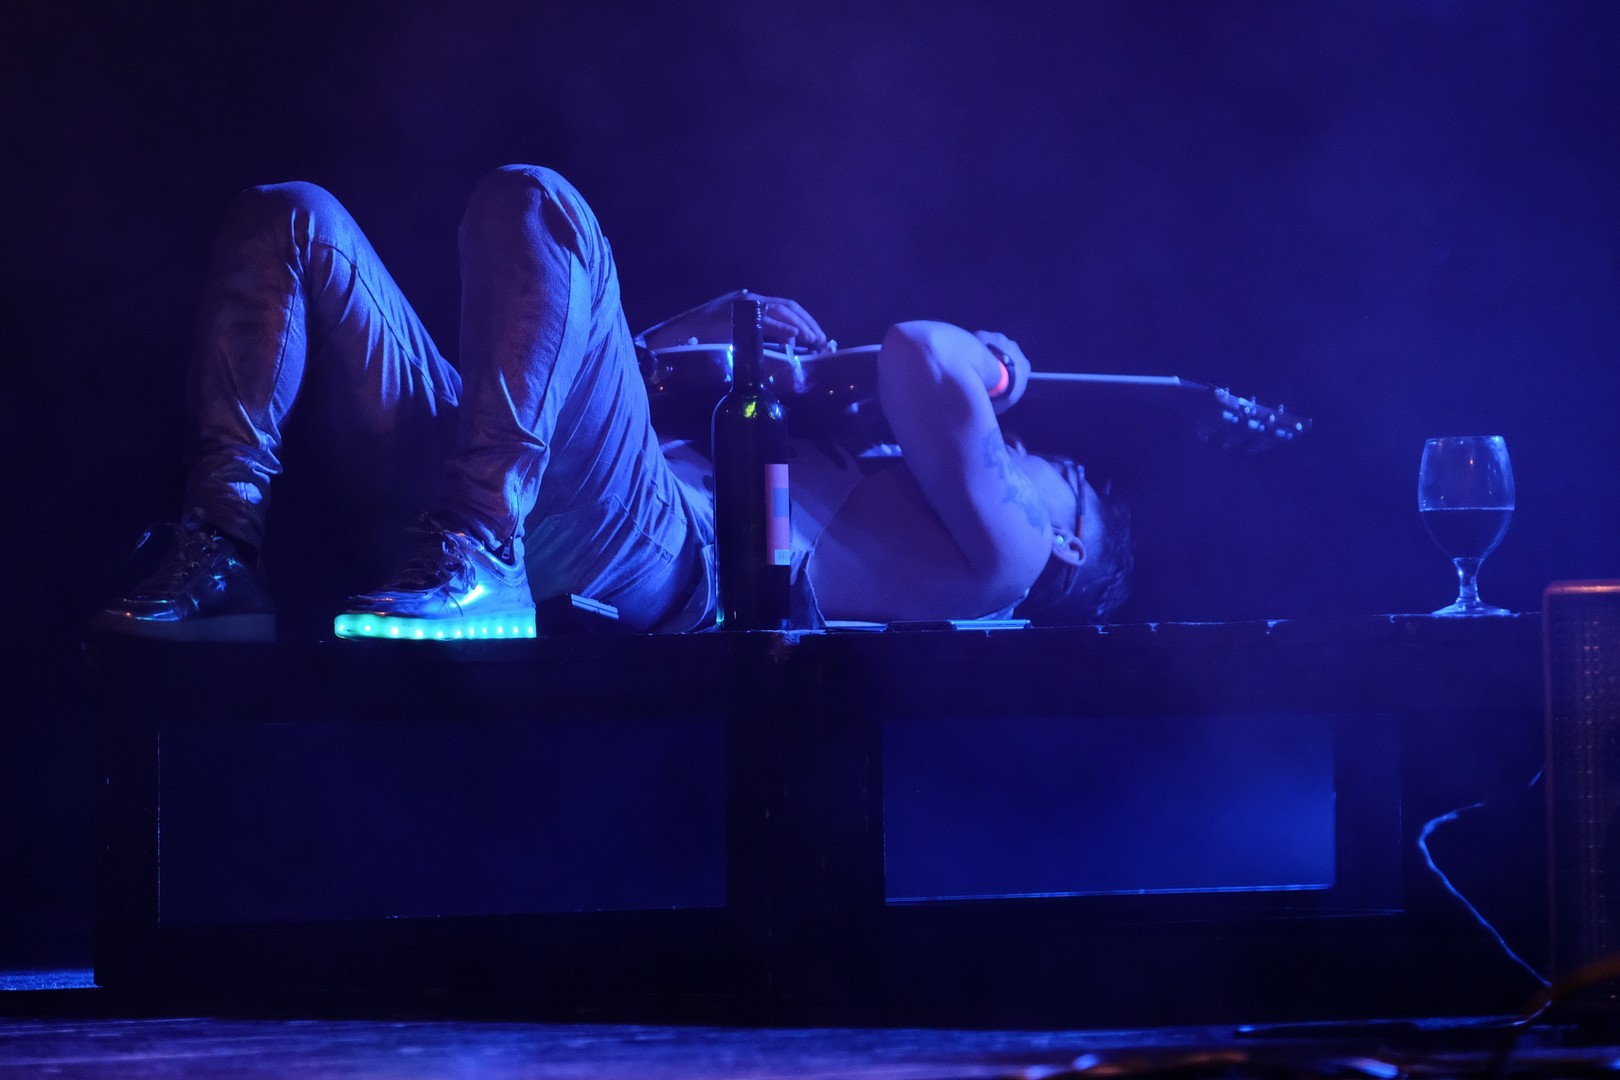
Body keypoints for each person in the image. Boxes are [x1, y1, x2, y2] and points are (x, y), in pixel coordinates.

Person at [92, 165, 1129, 642]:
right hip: (522, 490)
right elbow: (560, 385)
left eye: (1065, 473)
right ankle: (221, 551)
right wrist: (689, 335)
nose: (1030, 452)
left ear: (1071, 539)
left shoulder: (1010, 565)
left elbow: (923, 358)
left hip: (662, 556)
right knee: (292, 217)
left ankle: (481, 553)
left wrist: (1003, 366)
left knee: (540, 202)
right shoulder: (879, 486)